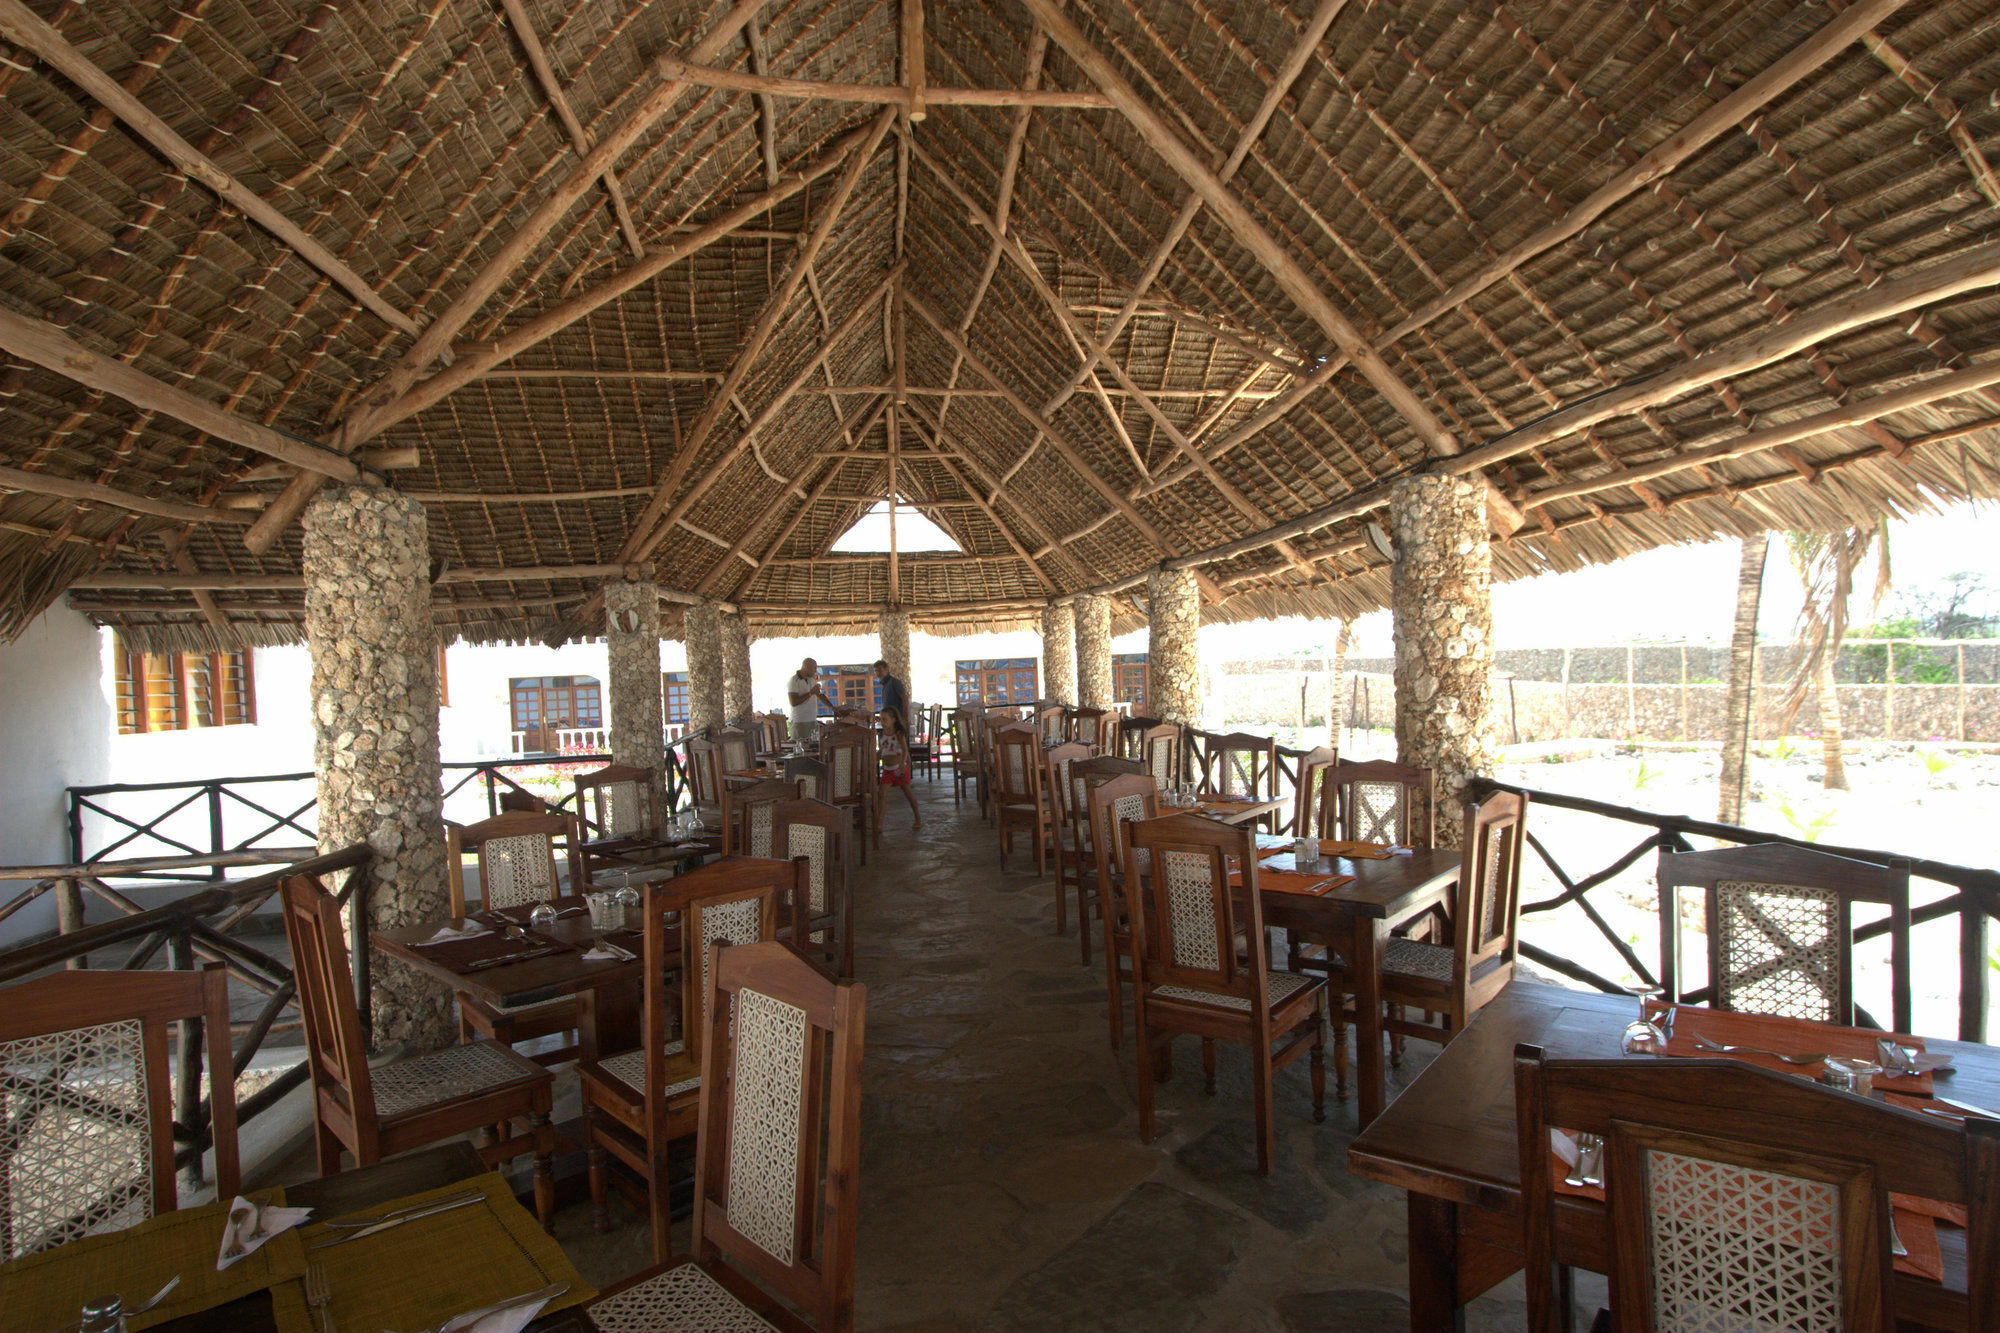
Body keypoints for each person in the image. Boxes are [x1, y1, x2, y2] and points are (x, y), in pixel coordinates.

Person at [877, 707, 921, 829]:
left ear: (893, 720)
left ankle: (918, 818)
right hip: (887, 769)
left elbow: (904, 750)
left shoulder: (898, 734)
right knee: (881, 794)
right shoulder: (882, 735)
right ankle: (879, 823)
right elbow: (883, 749)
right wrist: (876, 756)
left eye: (885, 719)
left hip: (899, 769)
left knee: (908, 794)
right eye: (881, 719)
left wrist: (903, 764)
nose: (882, 722)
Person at [787, 658, 830, 742]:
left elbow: (819, 694)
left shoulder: (811, 680)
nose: (815, 670)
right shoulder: (793, 680)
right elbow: (793, 702)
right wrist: (811, 693)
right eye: (814, 668)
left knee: (814, 748)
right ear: (806, 667)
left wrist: (833, 708)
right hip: (799, 722)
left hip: (812, 720)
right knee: (802, 750)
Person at [872, 658, 908, 729]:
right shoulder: (884, 685)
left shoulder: (894, 682)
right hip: (889, 723)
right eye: (876, 670)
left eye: (880, 669)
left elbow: (905, 699)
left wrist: (905, 718)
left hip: (897, 722)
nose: (878, 672)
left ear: (887, 669)